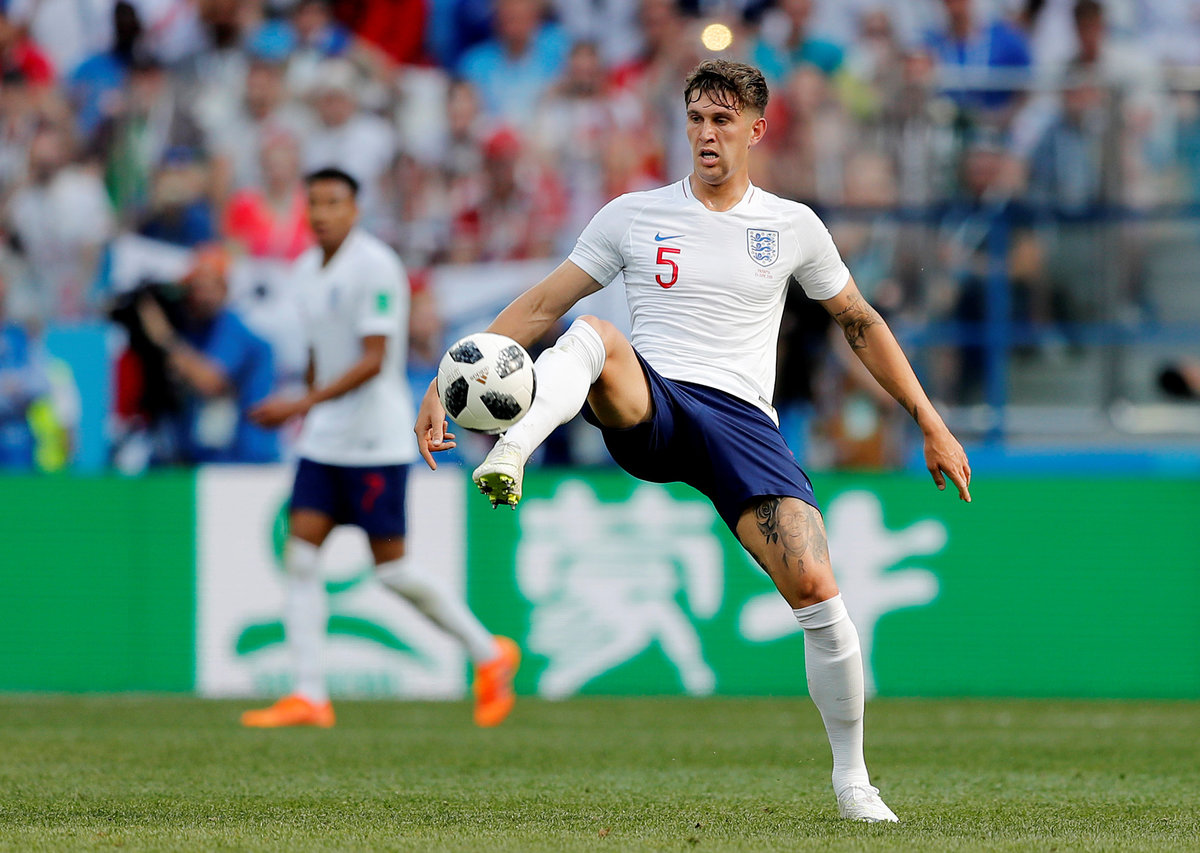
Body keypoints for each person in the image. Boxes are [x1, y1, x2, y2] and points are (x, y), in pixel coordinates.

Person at [414, 60, 972, 822]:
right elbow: (543, 303)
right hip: (655, 400)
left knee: (818, 589)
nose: (707, 134)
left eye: (722, 121)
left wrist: (929, 420)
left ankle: (854, 782)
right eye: (697, 120)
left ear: (756, 129)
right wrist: (446, 380)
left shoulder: (792, 227)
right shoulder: (633, 216)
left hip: (743, 423)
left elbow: (859, 321)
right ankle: (512, 448)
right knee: (594, 331)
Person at [243, 167, 519, 729]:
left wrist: (300, 404)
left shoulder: (375, 266)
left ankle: (489, 654)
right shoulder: (305, 270)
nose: (322, 213)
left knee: (391, 571)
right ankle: (309, 695)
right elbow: (322, 352)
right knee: (301, 557)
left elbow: (373, 360)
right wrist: (310, 408)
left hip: (374, 441)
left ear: (355, 209)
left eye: (333, 202)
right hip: (325, 441)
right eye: (314, 203)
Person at [134, 245, 279, 464]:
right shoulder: (195, 331)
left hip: (248, 457)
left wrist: (163, 336)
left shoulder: (232, 328)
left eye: (206, 288)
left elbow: (209, 382)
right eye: (193, 288)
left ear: (224, 289)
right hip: (207, 455)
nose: (198, 296)